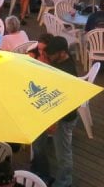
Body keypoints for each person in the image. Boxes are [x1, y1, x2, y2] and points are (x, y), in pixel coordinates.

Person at [32, 36, 79, 187]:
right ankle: (41, 173)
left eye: (51, 54)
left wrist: (55, 121)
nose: (48, 56)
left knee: (62, 154)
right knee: (38, 144)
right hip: (47, 111)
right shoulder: (57, 60)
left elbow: (66, 102)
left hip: (63, 117)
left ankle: (64, 182)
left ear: (62, 52)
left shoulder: (68, 71)